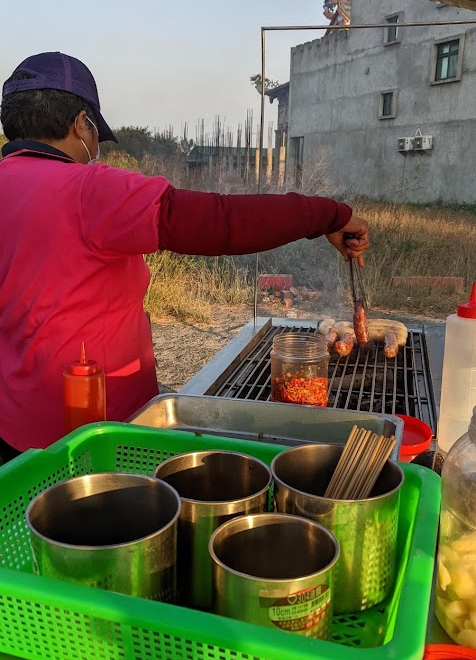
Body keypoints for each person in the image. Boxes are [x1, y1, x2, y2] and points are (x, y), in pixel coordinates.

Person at [0, 52, 369, 461]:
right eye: (94, 134)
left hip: (13, 437)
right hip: (101, 440)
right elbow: (223, 221)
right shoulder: (88, 189)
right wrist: (330, 214)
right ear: (80, 123)